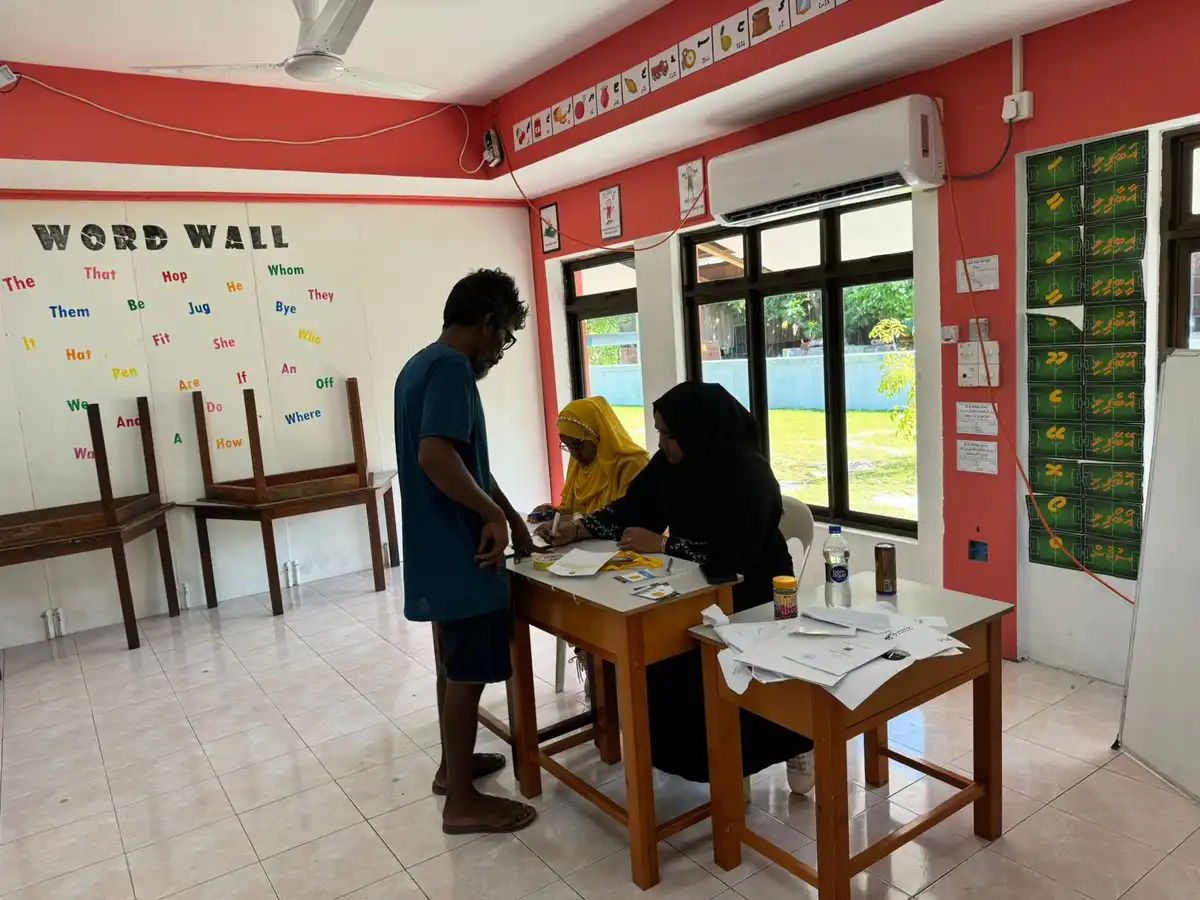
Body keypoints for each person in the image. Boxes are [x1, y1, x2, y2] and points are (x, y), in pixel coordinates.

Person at [538, 381, 815, 792]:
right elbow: (633, 507)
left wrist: (665, 544)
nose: (662, 443)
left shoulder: (749, 473)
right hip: (695, 588)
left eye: (669, 434)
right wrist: (579, 528)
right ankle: (711, 762)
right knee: (663, 658)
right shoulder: (670, 464)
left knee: (738, 672)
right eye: (660, 433)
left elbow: (736, 553)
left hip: (754, 592)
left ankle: (793, 742)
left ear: (698, 431)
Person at [394, 268, 538, 834]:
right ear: (488, 324)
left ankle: (450, 768)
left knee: (452, 666)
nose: (501, 351)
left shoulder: (419, 365)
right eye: (505, 338)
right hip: (463, 552)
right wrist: (491, 517)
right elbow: (435, 457)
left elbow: (466, 460)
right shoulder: (453, 369)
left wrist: (512, 517)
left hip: (437, 549)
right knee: (468, 674)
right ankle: (461, 802)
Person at [534, 396, 651, 519]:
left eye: (577, 444)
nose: (574, 453)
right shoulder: (578, 464)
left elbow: (628, 517)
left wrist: (577, 522)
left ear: (597, 436)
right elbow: (570, 510)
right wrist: (553, 513)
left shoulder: (632, 465)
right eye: (567, 446)